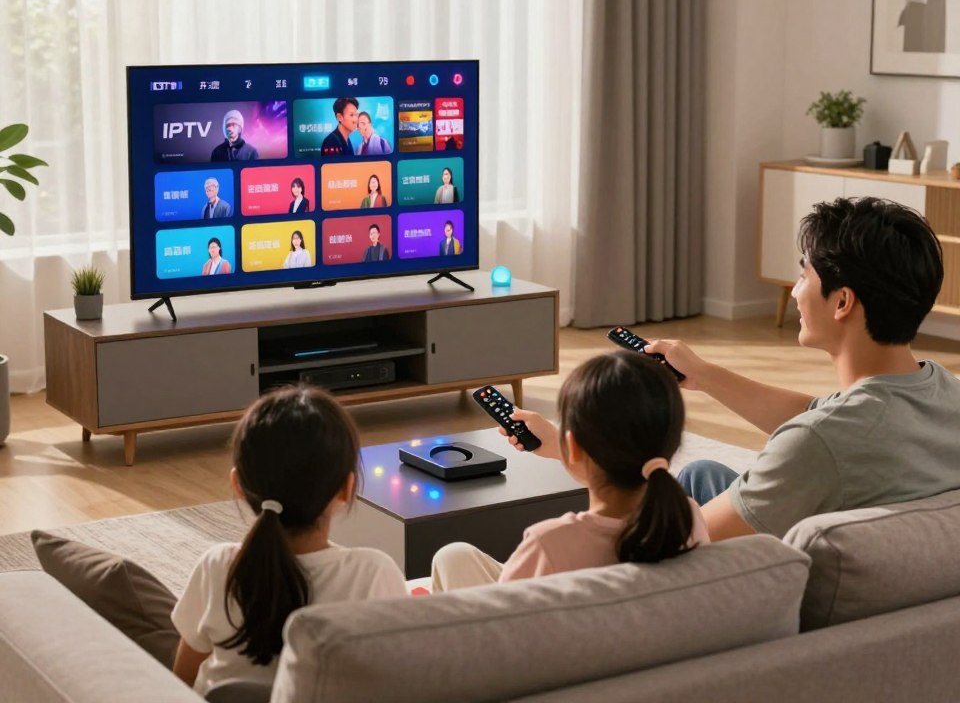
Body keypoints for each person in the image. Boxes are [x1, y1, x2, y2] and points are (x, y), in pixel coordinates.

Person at [639, 196, 960, 542]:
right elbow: (817, 415)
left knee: (671, 505)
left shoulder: (815, 445)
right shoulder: (945, 391)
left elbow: (682, 542)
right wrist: (702, 374)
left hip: (793, 566)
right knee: (703, 473)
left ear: (842, 302)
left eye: (804, 274)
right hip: (894, 556)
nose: (794, 291)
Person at [171, 386, 408, 696]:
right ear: (347, 488)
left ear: (237, 484)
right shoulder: (372, 573)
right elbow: (402, 679)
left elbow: (180, 680)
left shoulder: (218, 566)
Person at [431, 351, 709, 591]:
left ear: (573, 445)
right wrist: (560, 446)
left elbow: (504, 623)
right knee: (457, 556)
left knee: (452, 557)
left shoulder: (549, 545)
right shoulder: (688, 517)